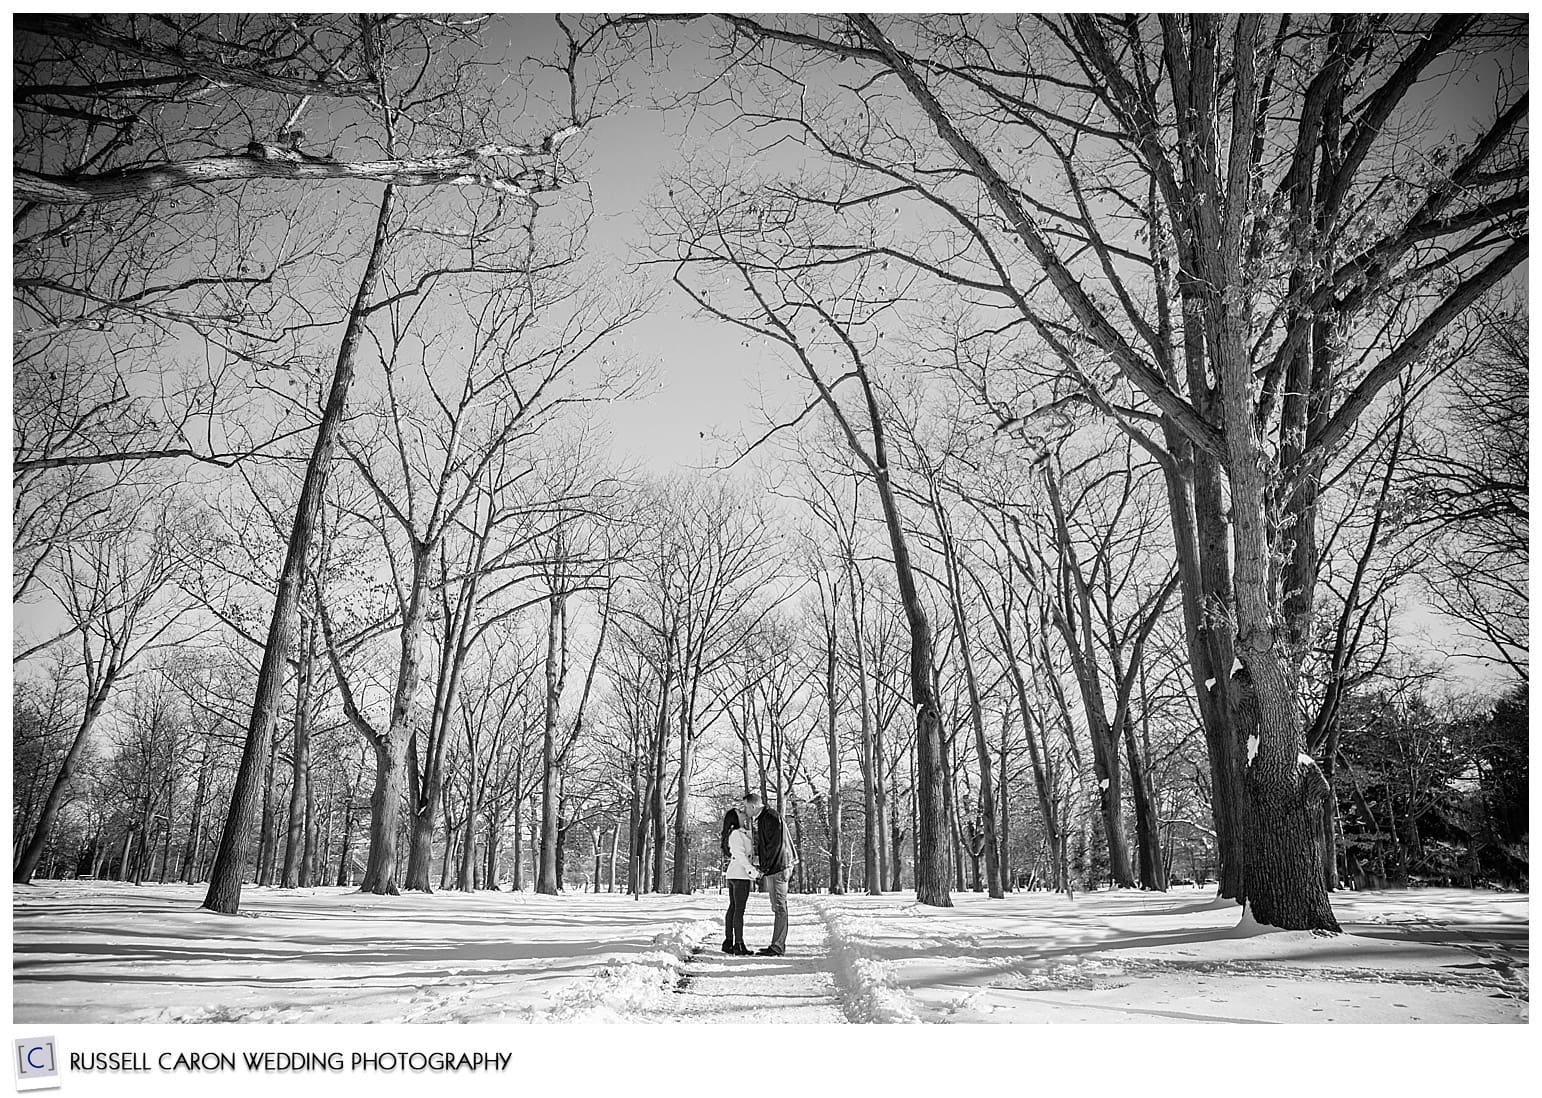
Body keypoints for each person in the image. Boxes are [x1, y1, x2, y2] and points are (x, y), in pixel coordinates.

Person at [742, 792, 794, 956]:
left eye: (745, 807)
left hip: (778, 867)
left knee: (779, 907)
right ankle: (777, 945)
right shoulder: (767, 817)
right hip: (777, 866)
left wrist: (764, 867)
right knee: (777, 906)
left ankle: (778, 946)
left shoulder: (769, 817)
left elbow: (775, 846)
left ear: (753, 806)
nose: (745, 810)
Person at [719, 807, 755, 955]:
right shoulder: (735, 834)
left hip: (737, 873)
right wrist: (751, 869)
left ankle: (729, 942)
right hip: (740, 874)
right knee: (738, 909)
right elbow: (740, 855)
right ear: (735, 817)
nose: (743, 813)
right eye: (740, 812)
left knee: (733, 908)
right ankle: (738, 944)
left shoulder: (739, 833)